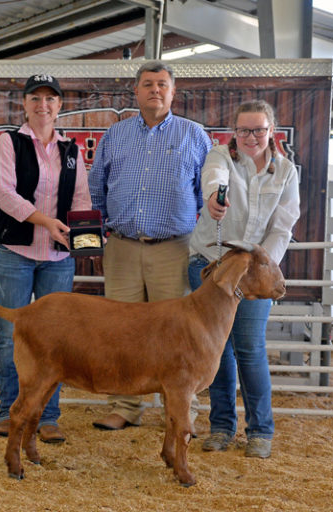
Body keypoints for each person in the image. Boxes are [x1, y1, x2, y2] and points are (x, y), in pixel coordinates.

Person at [88, 60, 212, 431]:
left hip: (174, 248)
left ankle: (180, 410)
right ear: (136, 92)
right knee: (121, 332)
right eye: (147, 84)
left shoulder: (195, 136)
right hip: (122, 246)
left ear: (173, 92)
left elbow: (207, 198)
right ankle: (125, 407)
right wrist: (98, 243)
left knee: (176, 334)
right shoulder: (116, 135)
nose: (154, 90)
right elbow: (97, 190)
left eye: (162, 84)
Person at [188, 99, 300, 458]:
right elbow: (214, 178)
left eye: (258, 130)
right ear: (233, 132)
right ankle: (221, 427)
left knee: (249, 349)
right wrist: (213, 199)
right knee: (214, 350)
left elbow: (283, 228)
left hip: (252, 275)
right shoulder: (221, 156)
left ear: (272, 131)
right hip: (211, 262)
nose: (251, 137)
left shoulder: (285, 172)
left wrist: (258, 268)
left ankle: (260, 431)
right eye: (243, 130)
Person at [0, 74, 92, 444]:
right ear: (25, 103)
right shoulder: (9, 142)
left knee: (54, 341)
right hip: (15, 253)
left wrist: (83, 233)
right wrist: (46, 221)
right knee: (9, 335)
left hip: (57, 258)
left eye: (51, 99)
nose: (43, 105)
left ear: (60, 106)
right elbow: (4, 194)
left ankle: (48, 416)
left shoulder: (71, 152)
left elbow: (81, 199)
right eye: (36, 98)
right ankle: (9, 412)